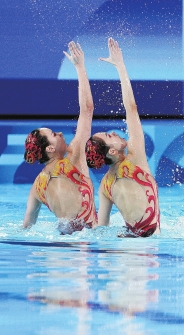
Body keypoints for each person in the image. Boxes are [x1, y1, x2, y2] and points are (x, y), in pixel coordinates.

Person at [85, 38, 160, 237]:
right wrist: (120, 66)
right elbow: (131, 108)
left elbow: (101, 228)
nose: (114, 133)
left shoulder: (105, 185)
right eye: (109, 136)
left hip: (126, 245)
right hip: (149, 244)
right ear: (112, 150)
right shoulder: (135, 160)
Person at [22, 41, 97, 234]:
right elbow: (87, 109)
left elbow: (27, 227)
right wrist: (80, 67)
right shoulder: (74, 159)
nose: (61, 134)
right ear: (50, 148)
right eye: (54, 135)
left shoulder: (38, 185)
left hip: (61, 244)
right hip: (88, 242)